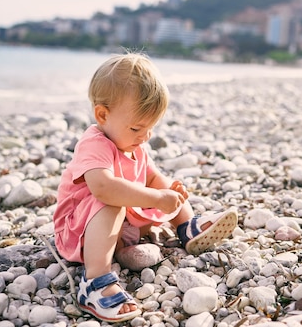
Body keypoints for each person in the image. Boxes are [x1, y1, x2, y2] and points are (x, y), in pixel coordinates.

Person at [53, 52, 238, 323]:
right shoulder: (94, 144)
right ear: (102, 115)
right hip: (80, 230)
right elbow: (103, 188)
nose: (145, 137)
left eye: (150, 128)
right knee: (112, 201)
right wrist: (156, 198)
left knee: (164, 183)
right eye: (138, 128)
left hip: (119, 225)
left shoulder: (132, 142)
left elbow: (151, 177)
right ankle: (95, 280)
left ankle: (187, 227)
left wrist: (168, 195)